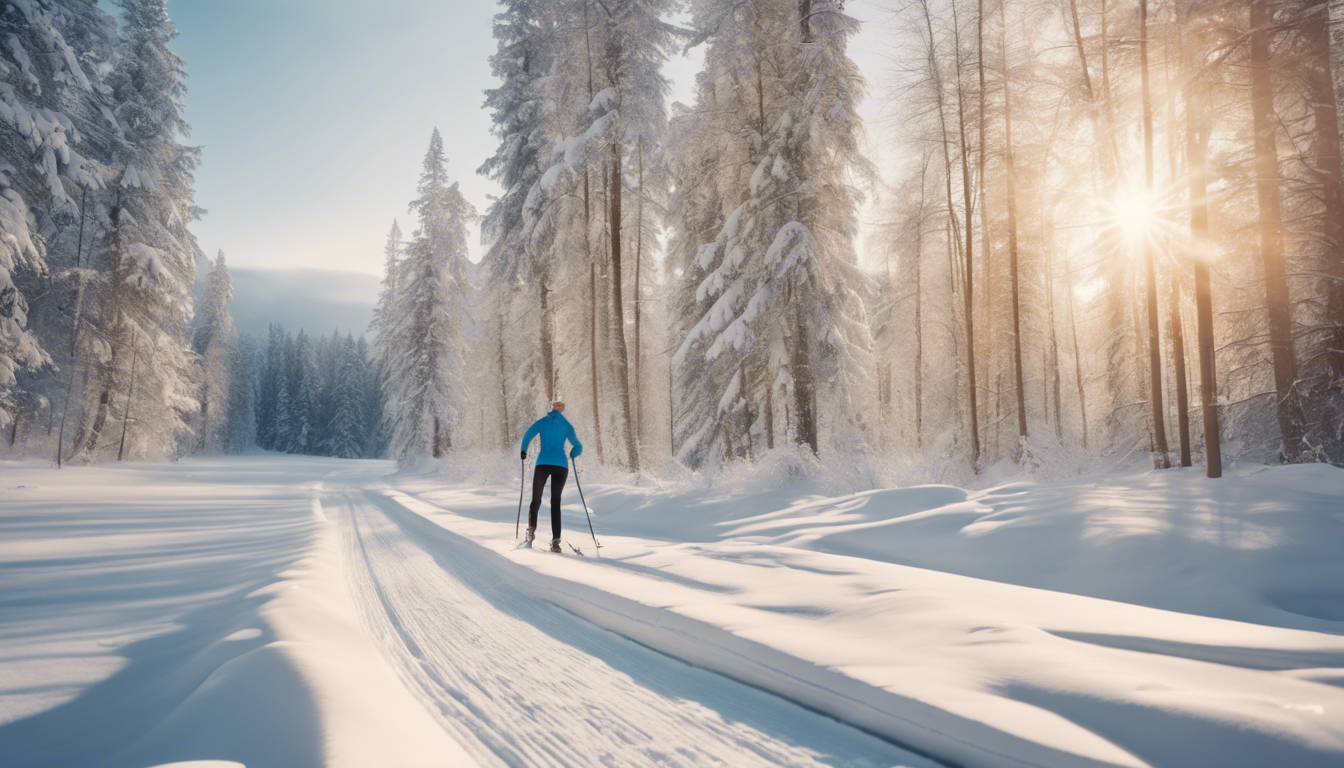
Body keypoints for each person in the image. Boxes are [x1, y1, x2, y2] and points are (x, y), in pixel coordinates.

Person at [519, 400, 583, 552]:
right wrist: (573, 453)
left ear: (552, 408)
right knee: (555, 502)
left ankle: (531, 533)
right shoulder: (567, 425)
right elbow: (578, 446)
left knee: (536, 500)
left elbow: (528, 435)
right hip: (561, 465)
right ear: (562, 409)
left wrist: (523, 450)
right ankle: (555, 542)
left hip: (543, 463)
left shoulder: (542, 422)